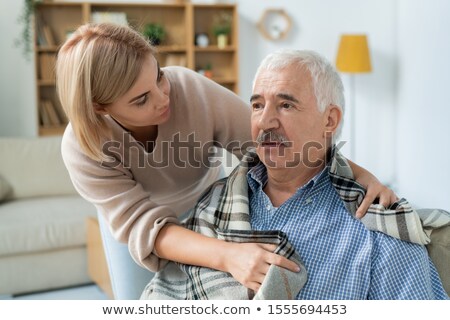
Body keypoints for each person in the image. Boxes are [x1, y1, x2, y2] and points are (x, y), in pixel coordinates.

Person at [56, 23, 397, 299]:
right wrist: (228, 255)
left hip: (209, 208)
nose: (163, 98)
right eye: (142, 99)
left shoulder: (188, 88)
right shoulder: (82, 148)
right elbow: (145, 229)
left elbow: (272, 142)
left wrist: (360, 174)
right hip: (143, 232)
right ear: (101, 108)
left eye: (158, 75)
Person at [142, 49, 449, 300]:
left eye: (286, 104)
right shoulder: (213, 206)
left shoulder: (381, 230)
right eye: (257, 105)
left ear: (329, 120)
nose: (265, 121)